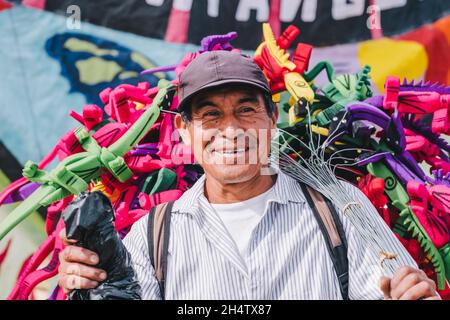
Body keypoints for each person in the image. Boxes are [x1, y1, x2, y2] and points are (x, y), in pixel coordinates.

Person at [57, 51, 440, 300]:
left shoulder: (341, 209)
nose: (230, 130)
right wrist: (87, 287)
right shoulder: (154, 235)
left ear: (272, 120)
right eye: (210, 115)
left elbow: (396, 291)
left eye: (246, 110)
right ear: (185, 132)